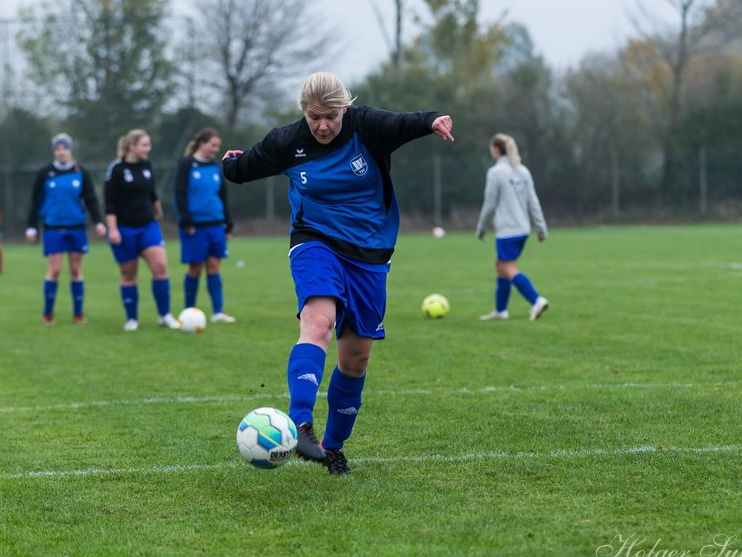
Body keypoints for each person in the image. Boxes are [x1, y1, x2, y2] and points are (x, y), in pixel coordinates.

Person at [223, 72, 454, 475]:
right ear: (304, 112)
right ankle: (299, 423)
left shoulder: (366, 126)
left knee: (356, 358)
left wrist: (433, 120)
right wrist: (231, 164)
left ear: (344, 109)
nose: (323, 126)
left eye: (331, 116)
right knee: (318, 321)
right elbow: (243, 169)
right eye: (315, 118)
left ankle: (333, 448)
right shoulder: (287, 142)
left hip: (369, 254)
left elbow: (404, 122)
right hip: (315, 242)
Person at [104, 129, 179, 331]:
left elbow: (152, 193)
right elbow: (109, 203)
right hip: (124, 229)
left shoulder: (147, 165)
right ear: (132, 146)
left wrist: (158, 210)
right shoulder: (116, 169)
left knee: (161, 267)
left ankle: (165, 315)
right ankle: (131, 319)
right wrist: (113, 230)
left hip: (148, 226)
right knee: (129, 274)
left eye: (149, 145)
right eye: (144, 145)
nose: (148, 149)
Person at [26, 133, 105, 324]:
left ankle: (78, 314)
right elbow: (35, 201)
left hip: (76, 227)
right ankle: (48, 313)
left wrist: (98, 222)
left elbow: (91, 200)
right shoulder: (45, 173)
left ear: (71, 150)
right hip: (53, 227)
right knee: (54, 269)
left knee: (76, 270)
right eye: (58, 149)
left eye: (65, 148)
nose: (61, 152)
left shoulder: (81, 172)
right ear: (54, 151)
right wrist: (31, 227)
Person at [475, 133, 550, 321]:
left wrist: (481, 227)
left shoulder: (495, 173)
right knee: (500, 266)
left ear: (495, 149)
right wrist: (541, 228)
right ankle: (501, 311)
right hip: (523, 229)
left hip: (507, 230)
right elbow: (533, 201)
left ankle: (536, 300)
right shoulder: (523, 170)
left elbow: (489, 204)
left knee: (508, 268)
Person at [175, 128, 235, 323]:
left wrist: (228, 224)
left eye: (218, 146)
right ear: (202, 143)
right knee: (195, 268)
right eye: (212, 145)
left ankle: (218, 312)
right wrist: (186, 220)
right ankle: (188, 311)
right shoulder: (186, 164)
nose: (215, 149)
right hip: (194, 226)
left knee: (214, 266)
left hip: (216, 224)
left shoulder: (216, 167)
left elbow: (223, 197)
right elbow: (179, 194)